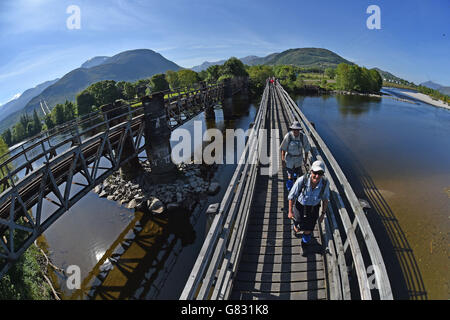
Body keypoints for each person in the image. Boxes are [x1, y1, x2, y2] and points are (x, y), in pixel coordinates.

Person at [287, 160, 329, 246]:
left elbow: (325, 199)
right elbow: (291, 196)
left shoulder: (325, 183)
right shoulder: (302, 180)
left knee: (309, 230)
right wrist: (290, 211)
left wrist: (322, 214)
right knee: (298, 227)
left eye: (320, 173)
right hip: (300, 207)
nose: (317, 176)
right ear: (311, 171)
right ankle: (295, 229)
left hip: (314, 208)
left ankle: (304, 245)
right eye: (315, 172)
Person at [280, 121, 310, 190]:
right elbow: (283, 148)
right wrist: (283, 160)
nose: (295, 131)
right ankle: (290, 188)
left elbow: (306, 149)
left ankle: (295, 186)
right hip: (289, 159)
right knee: (290, 175)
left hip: (298, 160)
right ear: (292, 129)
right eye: (294, 129)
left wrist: (305, 160)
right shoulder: (288, 136)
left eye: (297, 129)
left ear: (299, 130)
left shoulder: (303, 137)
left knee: (296, 174)